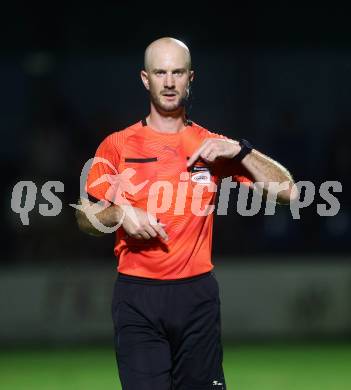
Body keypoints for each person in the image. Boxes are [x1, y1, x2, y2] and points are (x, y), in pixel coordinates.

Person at [75, 37, 296, 390]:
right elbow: (84, 217)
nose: (168, 81)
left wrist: (241, 151)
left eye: (177, 72)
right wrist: (119, 212)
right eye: (160, 72)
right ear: (145, 79)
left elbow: (288, 192)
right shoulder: (117, 145)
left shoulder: (213, 146)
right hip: (138, 298)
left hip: (197, 298)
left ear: (190, 78)